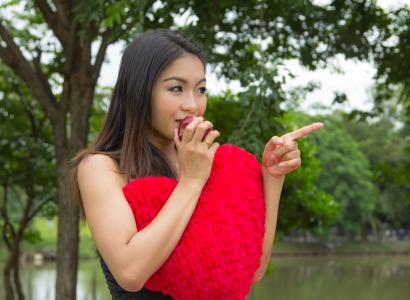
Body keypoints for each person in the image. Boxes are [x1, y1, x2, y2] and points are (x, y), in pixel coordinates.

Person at [69, 28, 323, 299]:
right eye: (176, 88)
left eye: (200, 89)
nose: (193, 104)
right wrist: (192, 181)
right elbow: (131, 273)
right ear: (139, 91)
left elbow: (252, 270)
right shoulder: (100, 168)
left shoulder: (213, 167)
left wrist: (272, 178)